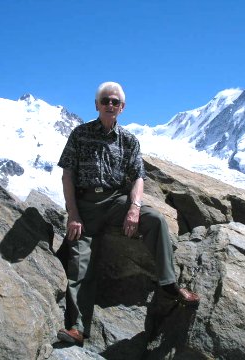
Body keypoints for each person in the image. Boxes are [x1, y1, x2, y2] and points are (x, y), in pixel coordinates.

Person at [56, 81, 200, 346]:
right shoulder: (80, 134)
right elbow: (67, 174)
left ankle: (169, 286)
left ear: (122, 108)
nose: (110, 105)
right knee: (80, 262)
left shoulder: (129, 141)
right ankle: (77, 329)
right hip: (85, 206)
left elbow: (138, 178)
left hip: (116, 201)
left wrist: (134, 208)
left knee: (154, 220)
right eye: (105, 101)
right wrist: (73, 213)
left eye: (115, 102)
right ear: (97, 105)